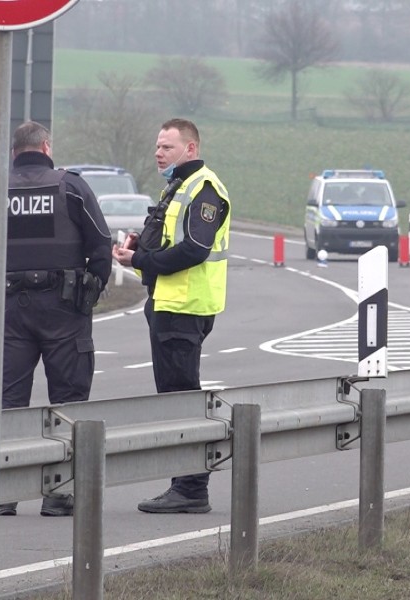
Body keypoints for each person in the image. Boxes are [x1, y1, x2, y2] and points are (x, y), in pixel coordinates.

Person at [0, 120, 112, 517]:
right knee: (68, 398)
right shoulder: (71, 187)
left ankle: (5, 492)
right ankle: (59, 493)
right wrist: (89, 291)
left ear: (14, 152)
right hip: (64, 310)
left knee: (9, 401)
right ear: (46, 147)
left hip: (10, 312)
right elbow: (100, 245)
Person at [112, 118, 230, 514]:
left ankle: (192, 488)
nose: (158, 153)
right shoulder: (177, 188)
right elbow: (170, 242)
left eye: (166, 147)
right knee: (174, 397)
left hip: (185, 307)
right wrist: (138, 250)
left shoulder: (205, 189)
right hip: (167, 303)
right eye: (157, 147)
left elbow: (195, 248)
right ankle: (185, 484)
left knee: (181, 399)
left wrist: (142, 258)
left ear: (190, 149)